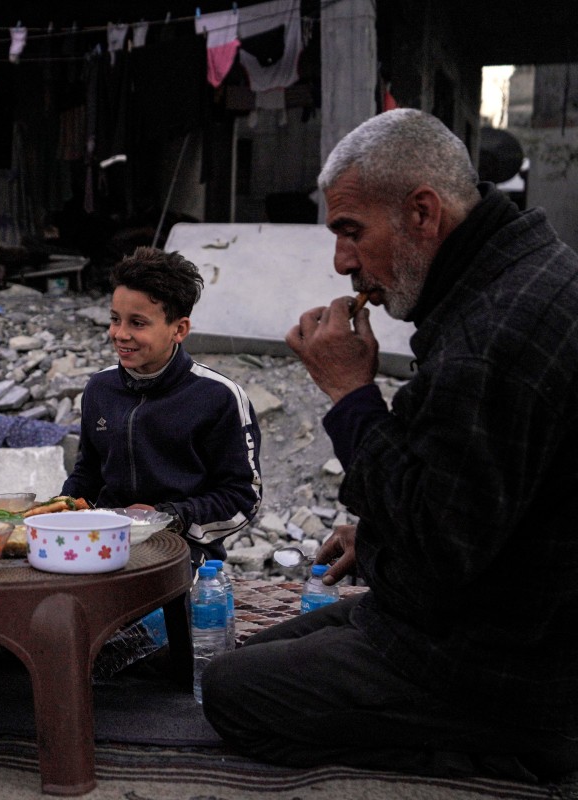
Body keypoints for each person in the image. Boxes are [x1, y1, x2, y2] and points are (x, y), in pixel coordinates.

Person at [202, 108, 578, 781]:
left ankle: (504, 750)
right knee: (242, 659)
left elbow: (439, 553)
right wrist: (378, 534)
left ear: (423, 214)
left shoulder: (493, 334)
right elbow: (467, 488)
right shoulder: (513, 277)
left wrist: (350, 395)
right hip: (487, 609)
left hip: (495, 662)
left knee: (234, 697)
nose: (343, 262)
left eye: (352, 232)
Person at [60, 246, 262, 567]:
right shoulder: (100, 388)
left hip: (183, 552)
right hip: (102, 546)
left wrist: (168, 518)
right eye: (115, 319)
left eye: (137, 323)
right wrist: (64, 508)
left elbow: (243, 498)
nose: (120, 334)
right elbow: (88, 472)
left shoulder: (219, 397)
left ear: (179, 329)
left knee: (147, 613)